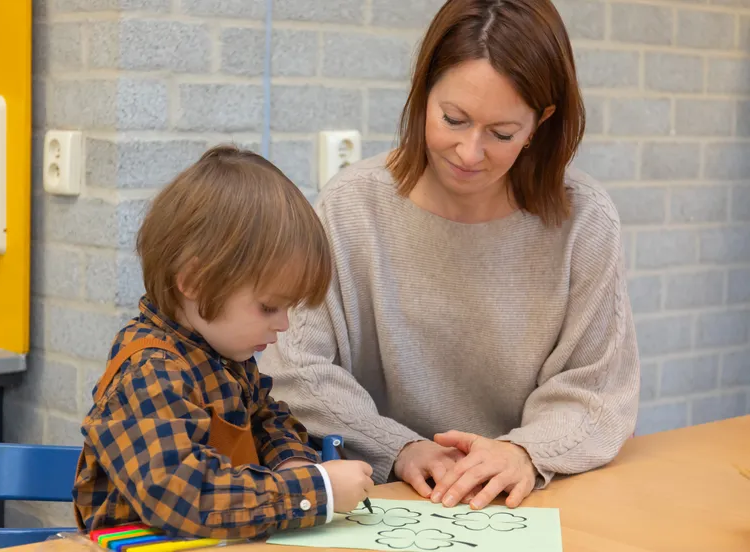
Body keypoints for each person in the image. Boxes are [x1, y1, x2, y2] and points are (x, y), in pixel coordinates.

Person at [259, 0, 640, 513]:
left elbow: (598, 388)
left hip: (525, 502)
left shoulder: (585, 221)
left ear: (540, 124)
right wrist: (398, 446)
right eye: (453, 119)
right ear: (422, 95)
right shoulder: (351, 207)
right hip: (387, 495)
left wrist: (525, 452)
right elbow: (295, 368)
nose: (469, 152)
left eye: (502, 134)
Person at [72, 145, 374, 539]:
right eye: (268, 307)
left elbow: (268, 420)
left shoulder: (227, 356)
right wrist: (315, 491)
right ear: (195, 281)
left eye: (288, 308)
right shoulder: (149, 371)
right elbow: (186, 496)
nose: (283, 325)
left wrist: (293, 464)